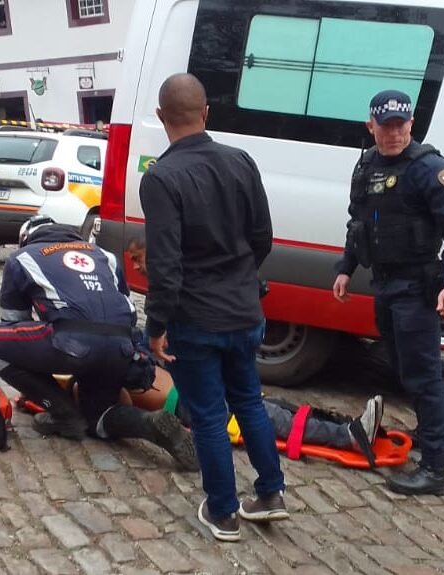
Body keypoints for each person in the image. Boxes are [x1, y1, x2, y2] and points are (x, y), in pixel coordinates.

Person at [139, 73, 285, 542]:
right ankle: (270, 493)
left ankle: (222, 512)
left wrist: (156, 325)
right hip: (244, 311)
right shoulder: (241, 161)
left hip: (196, 318)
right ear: (206, 113)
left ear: (162, 117)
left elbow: (165, 263)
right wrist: (238, 278)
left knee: (207, 416)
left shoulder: (161, 177)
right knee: (249, 403)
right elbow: (262, 237)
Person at [0, 216, 198, 471]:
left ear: (26, 239)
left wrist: (38, 387)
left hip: (74, 343)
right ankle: (149, 424)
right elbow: (123, 305)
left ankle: (62, 412)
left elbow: (14, 324)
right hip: (122, 346)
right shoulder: (105, 256)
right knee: (97, 417)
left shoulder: (22, 258)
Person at [333, 89, 444, 496]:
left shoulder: (429, 169)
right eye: (385, 126)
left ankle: (434, 469)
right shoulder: (367, 166)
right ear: (371, 125)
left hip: (417, 286)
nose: (393, 133)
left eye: (401, 125)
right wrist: (346, 268)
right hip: (385, 284)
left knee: (423, 374)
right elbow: (357, 222)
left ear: (411, 124)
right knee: (401, 366)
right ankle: (432, 432)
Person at [125, 236, 386, 453]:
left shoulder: (165, 303)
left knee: (270, 407)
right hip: (185, 401)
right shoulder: (143, 330)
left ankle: (345, 427)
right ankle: (349, 435)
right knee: (264, 417)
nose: (134, 267)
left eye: (138, 259)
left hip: (197, 388)